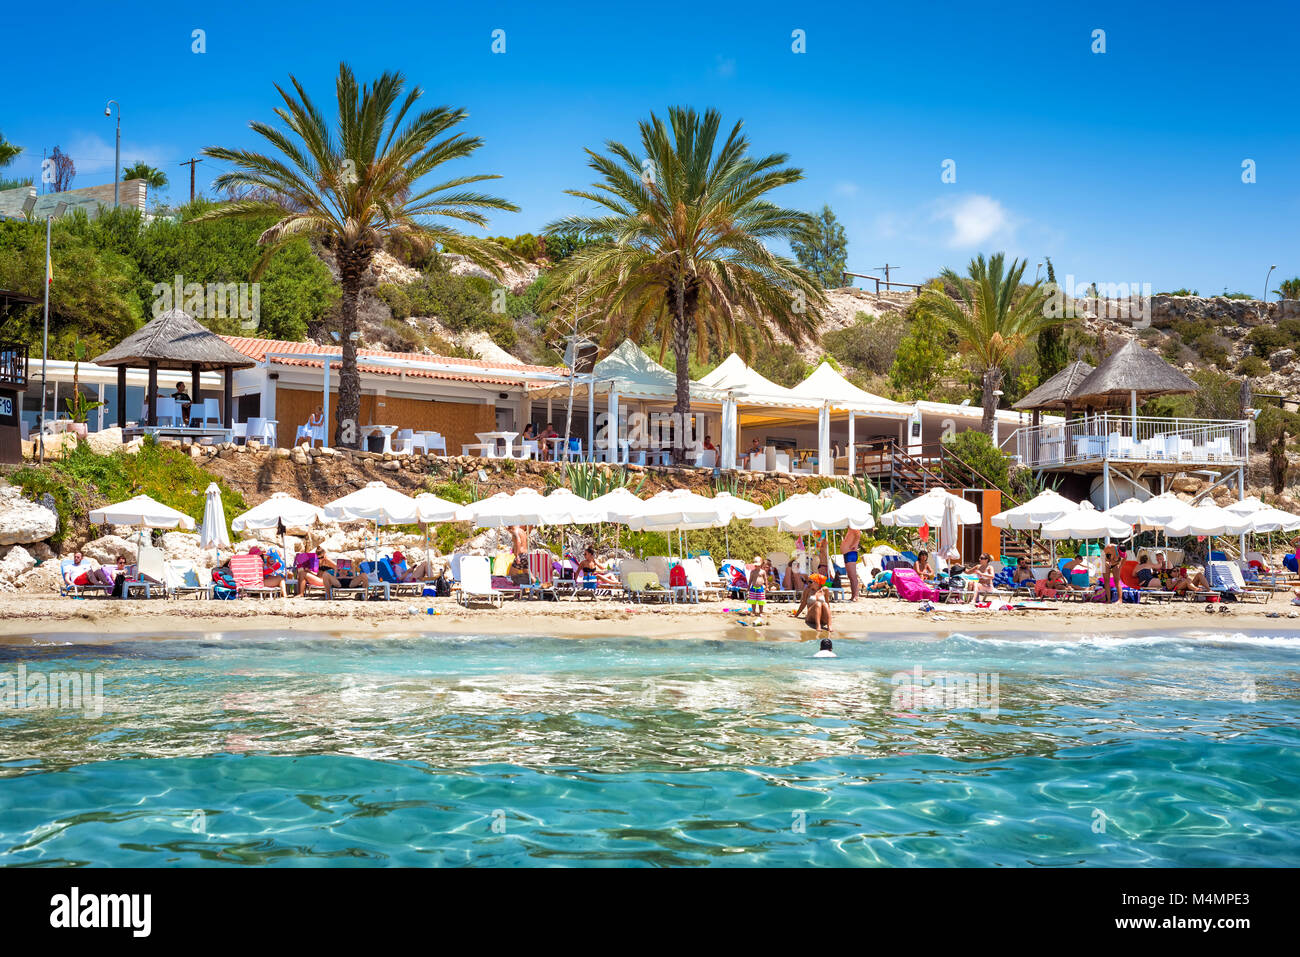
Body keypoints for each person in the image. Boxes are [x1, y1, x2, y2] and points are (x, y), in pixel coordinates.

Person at [841, 526, 861, 600]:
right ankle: (853, 595)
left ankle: (855, 596)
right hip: (848, 553)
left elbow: (858, 534)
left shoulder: (854, 526)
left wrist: (854, 544)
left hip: (850, 553)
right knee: (850, 576)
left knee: (853, 576)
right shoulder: (851, 527)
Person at [746, 555, 767, 623]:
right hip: (753, 588)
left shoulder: (763, 572)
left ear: (761, 564)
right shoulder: (752, 572)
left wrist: (766, 586)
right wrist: (748, 587)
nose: (756, 566)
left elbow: (765, 579)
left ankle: (761, 612)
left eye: (758, 565)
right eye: (756, 565)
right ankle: (754, 611)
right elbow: (750, 580)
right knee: (753, 601)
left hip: (760, 588)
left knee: (761, 601)